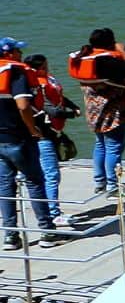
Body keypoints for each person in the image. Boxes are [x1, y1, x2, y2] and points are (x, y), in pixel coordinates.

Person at [0, 37, 58, 249]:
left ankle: (10, 236)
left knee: (5, 187)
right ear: (9, 53)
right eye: (18, 51)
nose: (21, 55)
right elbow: (24, 105)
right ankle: (46, 231)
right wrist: (33, 130)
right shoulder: (16, 72)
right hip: (20, 139)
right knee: (34, 182)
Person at [69, 29, 125, 195]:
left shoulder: (83, 59)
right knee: (113, 147)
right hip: (112, 112)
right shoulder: (106, 61)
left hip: (93, 111)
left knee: (100, 145)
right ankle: (113, 186)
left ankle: (100, 182)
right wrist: (122, 51)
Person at [24, 55, 77, 230]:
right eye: (45, 65)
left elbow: (60, 97)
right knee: (51, 175)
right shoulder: (37, 86)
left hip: (54, 132)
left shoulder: (50, 80)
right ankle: (53, 213)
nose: (48, 66)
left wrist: (72, 105)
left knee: (50, 173)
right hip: (44, 134)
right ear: (37, 68)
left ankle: (52, 211)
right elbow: (49, 109)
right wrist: (71, 114)